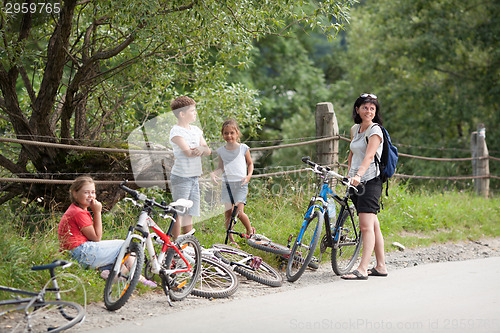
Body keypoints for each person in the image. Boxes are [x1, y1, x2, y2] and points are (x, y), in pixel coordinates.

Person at [57, 176, 157, 287]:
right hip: (80, 251)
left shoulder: (76, 209)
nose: (91, 196)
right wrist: (97, 212)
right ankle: (140, 279)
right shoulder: (78, 213)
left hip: (74, 253)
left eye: (93, 192)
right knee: (125, 244)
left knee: (122, 261)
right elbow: (96, 237)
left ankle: (109, 274)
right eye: (86, 192)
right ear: (75, 194)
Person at [341, 93, 388, 280]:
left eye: (372, 108)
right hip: (355, 181)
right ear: (357, 109)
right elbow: (353, 153)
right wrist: (349, 173)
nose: (368, 111)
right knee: (373, 225)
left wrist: (359, 175)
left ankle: (362, 269)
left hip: (370, 181)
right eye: (365, 107)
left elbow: (369, 157)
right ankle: (381, 266)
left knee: (366, 227)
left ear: (375, 112)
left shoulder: (375, 131)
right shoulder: (355, 129)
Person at [169, 96, 211, 239]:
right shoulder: (176, 132)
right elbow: (188, 152)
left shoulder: (196, 130)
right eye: (192, 111)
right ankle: (175, 244)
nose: (195, 113)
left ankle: (187, 242)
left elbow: (207, 150)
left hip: (194, 176)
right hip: (181, 177)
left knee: (190, 212)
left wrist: (200, 148)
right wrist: (199, 149)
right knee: (179, 212)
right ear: (182, 114)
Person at [211, 119, 255, 246]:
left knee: (239, 212)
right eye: (226, 133)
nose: (229, 136)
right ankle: (231, 240)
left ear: (237, 133)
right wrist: (214, 174)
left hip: (241, 184)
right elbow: (221, 167)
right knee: (228, 213)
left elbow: (250, 163)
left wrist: (248, 176)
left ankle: (249, 230)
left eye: (231, 133)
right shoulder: (221, 151)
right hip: (227, 185)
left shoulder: (243, 148)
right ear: (222, 134)